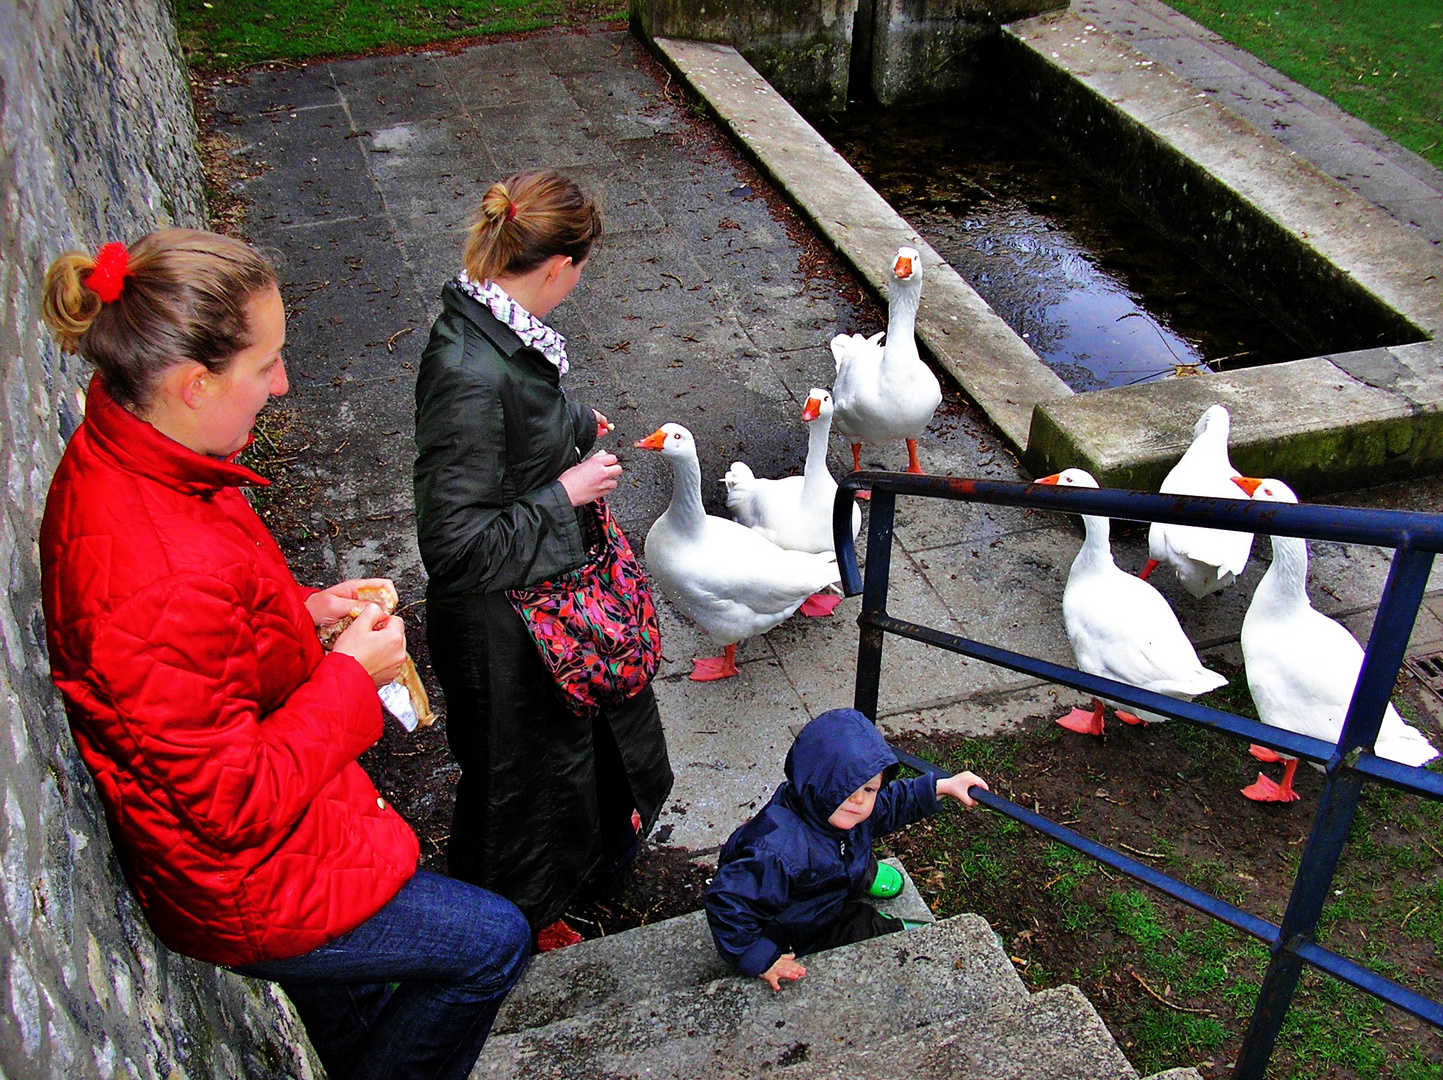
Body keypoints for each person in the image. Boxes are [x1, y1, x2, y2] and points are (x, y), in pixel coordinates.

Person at [38, 229, 531, 1080]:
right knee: (491, 944)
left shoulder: (148, 453)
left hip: (253, 849)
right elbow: (226, 800)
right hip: (242, 882)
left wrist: (305, 615)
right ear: (195, 384)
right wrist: (349, 677)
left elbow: (193, 651)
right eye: (265, 364)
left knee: (365, 1019)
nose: (282, 383)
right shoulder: (153, 567)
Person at [413, 170, 674, 951]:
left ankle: (582, 869)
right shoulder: (464, 366)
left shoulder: (494, 323)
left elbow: (510, 422)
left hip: (543, 603)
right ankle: (511, 921)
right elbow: (452, 549)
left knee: (575, 750)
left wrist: (568, 423)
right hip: (502, 625)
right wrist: (565, 491)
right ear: (559, 266)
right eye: (582, 270)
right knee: (517, 780)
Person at [705, 708, 988, 991]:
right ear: (814, 781)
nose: (858, 800)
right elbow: (728, 904)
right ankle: (914, 936)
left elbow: (892, 802)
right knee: (861, 926)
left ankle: (862, 875)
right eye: (844, 789)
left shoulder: (837, 809)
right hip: (801, 922)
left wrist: (944, 786)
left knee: (852, 852)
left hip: (832, 867)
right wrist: (760, 957)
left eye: (868, 789)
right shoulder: (777, 851)